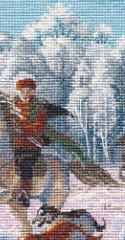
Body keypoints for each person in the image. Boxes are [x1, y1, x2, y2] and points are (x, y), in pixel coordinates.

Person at [11, 77, 82, 207]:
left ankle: (25, 192)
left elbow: (39, 126)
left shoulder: (39, 106)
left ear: (33, 92)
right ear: (18, 92)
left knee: (24, 163)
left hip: (31, 143)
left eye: (28, 91)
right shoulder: (12, 105)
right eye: (23, 91)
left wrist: (23, 129)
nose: (25, 94)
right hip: (12, 142)